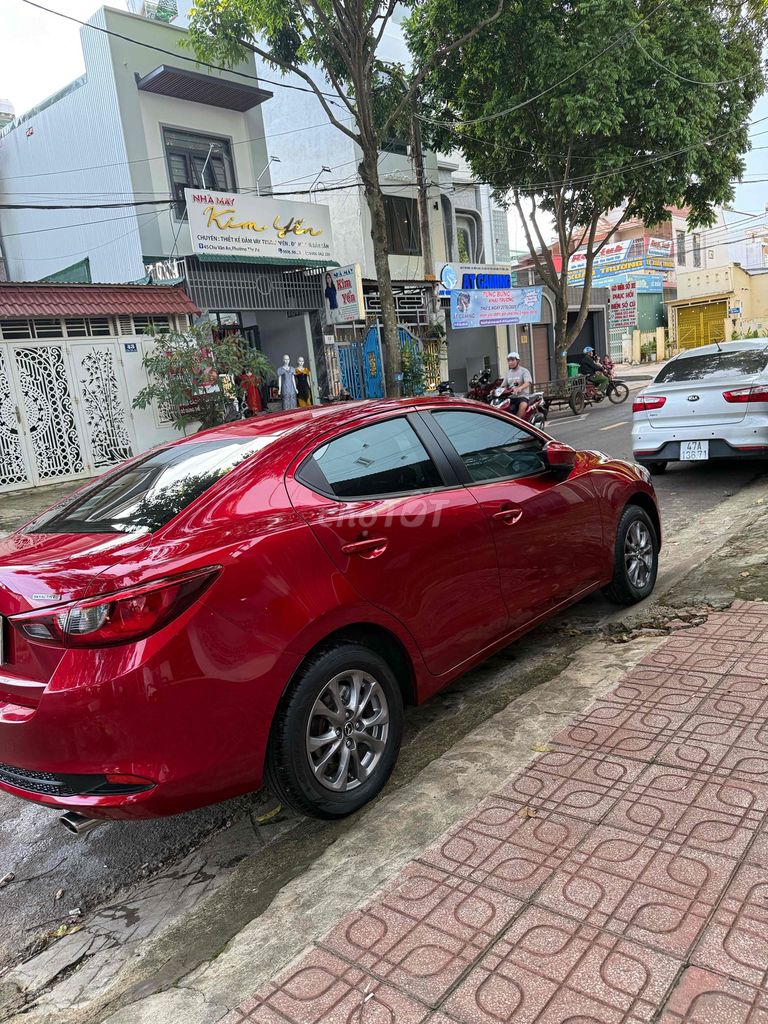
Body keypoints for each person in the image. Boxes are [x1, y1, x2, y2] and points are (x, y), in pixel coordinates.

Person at [502, 352, 533, 418]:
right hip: (511, 397)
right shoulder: (508, 373)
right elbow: (503, 386)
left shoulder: (524, 371)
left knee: (523, 406)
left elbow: (528, 382)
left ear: (518, 361)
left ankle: (518, 423)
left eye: (512, 360)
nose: (510, 362)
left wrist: (520, 388)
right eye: (509, 360)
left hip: (522, 396)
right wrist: (496, 390)